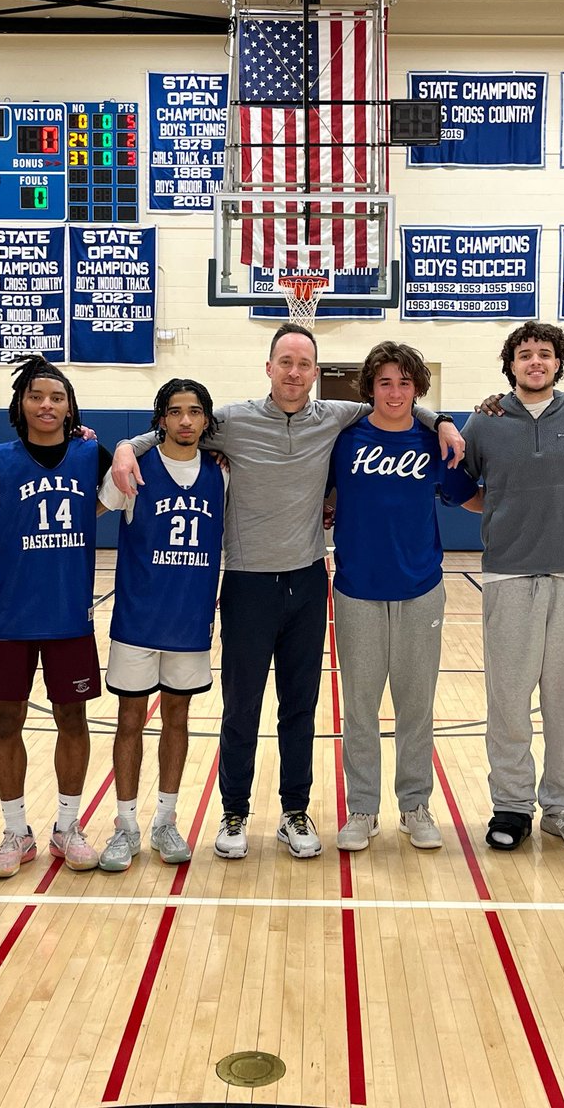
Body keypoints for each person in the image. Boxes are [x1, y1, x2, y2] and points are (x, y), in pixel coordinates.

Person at [111, 323, 465, 860]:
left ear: (315, 373)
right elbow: (176, 429)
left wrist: (439, 419)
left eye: (305, 363)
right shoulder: (231, 420)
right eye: (285, 362)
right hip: (247, 583)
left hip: (306, 580)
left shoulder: (336, 418)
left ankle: (295, 812)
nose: (294, 372)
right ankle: (234, 813)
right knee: (242, 708)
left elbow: (400, 403)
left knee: (300, 708)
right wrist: (124, 446)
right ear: (269, 367)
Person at [329, 342, 480, 852]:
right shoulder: (344, 439)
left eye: (404, 383)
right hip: (356, 589)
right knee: (361, 707)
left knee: (416, 705)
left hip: (421, 588)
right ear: (369, 387)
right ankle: (363, 809)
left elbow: (469, 496)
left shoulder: (435, 441)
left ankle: (415, 805)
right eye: (385, 382)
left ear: (418, 390)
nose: (394, 392)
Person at [460, 322, 564, 852]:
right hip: (507, 573)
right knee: (508, 700)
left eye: (545, 354)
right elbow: (464, 488)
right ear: (511, 364)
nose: (535, 362)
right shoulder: (485, 419)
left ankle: (563, 808)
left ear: (559, 363)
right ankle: (512, 806)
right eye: (525, 354)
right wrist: (501, 508)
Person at [0, 356, 113, 878]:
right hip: (10, 617)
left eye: (57, 397)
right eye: (36, 396)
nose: (46, 404)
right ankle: (15, 832)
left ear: (70, 406)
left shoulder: (90, 455)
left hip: (70, 617)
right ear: (21, 404)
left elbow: (126, 484)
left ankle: (67, 827)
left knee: (72, 719)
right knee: (6, 721)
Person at [97, 379, 227, 871]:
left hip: (190, 622)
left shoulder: (222, 473)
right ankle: (125, 826)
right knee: (129, 721)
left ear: (207, 420)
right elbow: (89, 513)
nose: (186, 421)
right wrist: (116, 450)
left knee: (178, 720)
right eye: (176, 412)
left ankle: (165, 821)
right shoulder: (133, 469)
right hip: (137, 622)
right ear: (162, 419)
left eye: (195, 412)